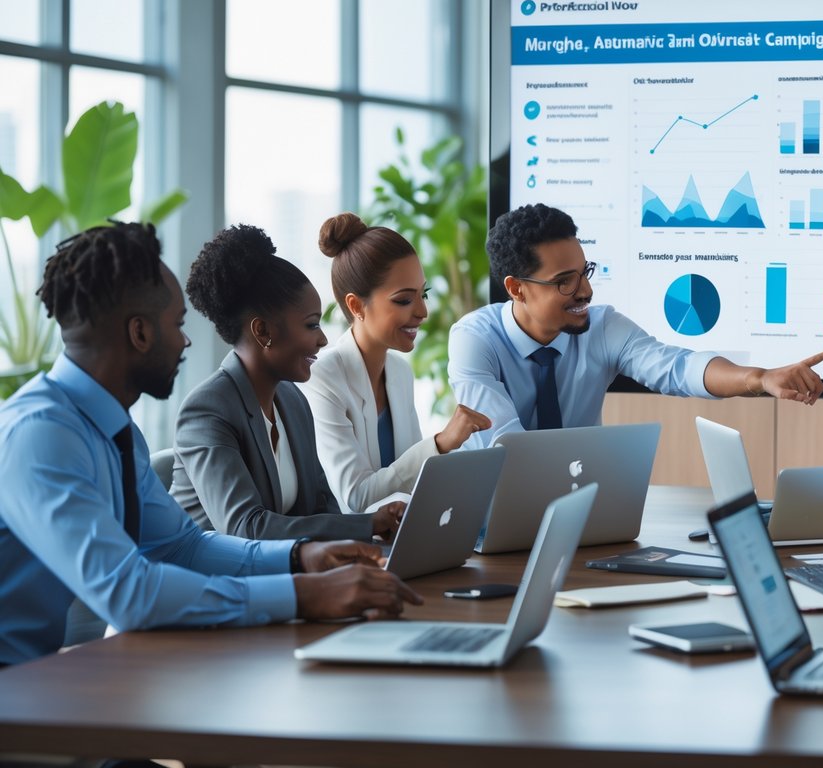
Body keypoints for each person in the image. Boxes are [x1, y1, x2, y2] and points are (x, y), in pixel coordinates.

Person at [0, 223, 419, 666]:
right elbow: (129, 594)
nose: (185, 341)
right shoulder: (41, 435)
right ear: (140, 333)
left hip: (42, 679)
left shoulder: (115, 433)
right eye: (177, 324)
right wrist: (304, 593)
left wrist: (300, 557)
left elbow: (182, 547)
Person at [447, 203, 823, 449]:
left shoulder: (601, 327)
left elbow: (677, 367)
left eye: (584, 272)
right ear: (516, 289)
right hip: (488, 515)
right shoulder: (475, 340)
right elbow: (506, 444)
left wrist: (760, 378)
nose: (585, 291)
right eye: (564, 281)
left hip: (573, 508)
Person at [170, 225, 403, 542]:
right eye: (311, 325)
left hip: (280, 567)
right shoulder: (208, 411)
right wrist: (366, 525)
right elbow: (246, 528)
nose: (322, 340)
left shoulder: (293, 401)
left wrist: (371, 532)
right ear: (263, 331)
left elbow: (321, 508)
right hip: (207, 572)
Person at [303, 213, 490, 514]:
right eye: (404, 300)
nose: (423, 312)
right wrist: (441, 443)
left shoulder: (400, 373)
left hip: (400, 535)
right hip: (350, 541)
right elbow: (356, 498)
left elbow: (414, 482)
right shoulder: (323, 379)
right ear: (356, 305)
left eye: (423, 294)